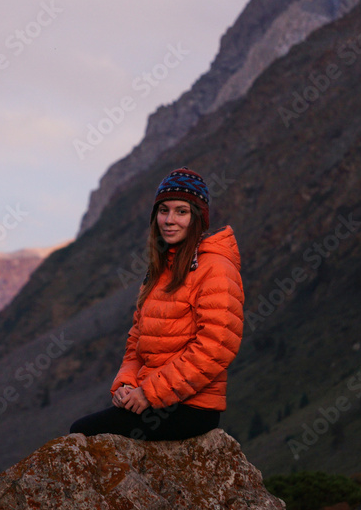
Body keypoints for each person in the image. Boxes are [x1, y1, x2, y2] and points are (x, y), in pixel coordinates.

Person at [69, 167, 245, 441]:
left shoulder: (216, 268)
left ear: (197, 217)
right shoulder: (159, 271)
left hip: (191, 406)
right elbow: (137, 340)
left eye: (181, 211)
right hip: (155, 398)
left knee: (84, 433)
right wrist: (126, 384)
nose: (169, 220)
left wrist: (150, 393)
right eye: (163, 210)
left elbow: (216, 347)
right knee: (83, 432)